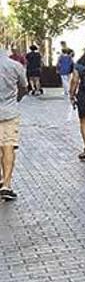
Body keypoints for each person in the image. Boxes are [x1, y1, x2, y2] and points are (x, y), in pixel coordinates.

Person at [0, 43, 28, 201]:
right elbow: (24, 86)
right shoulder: (15, 66)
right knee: (8, 146)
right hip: (9, 112)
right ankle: (7, 184)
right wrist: (15, 99)